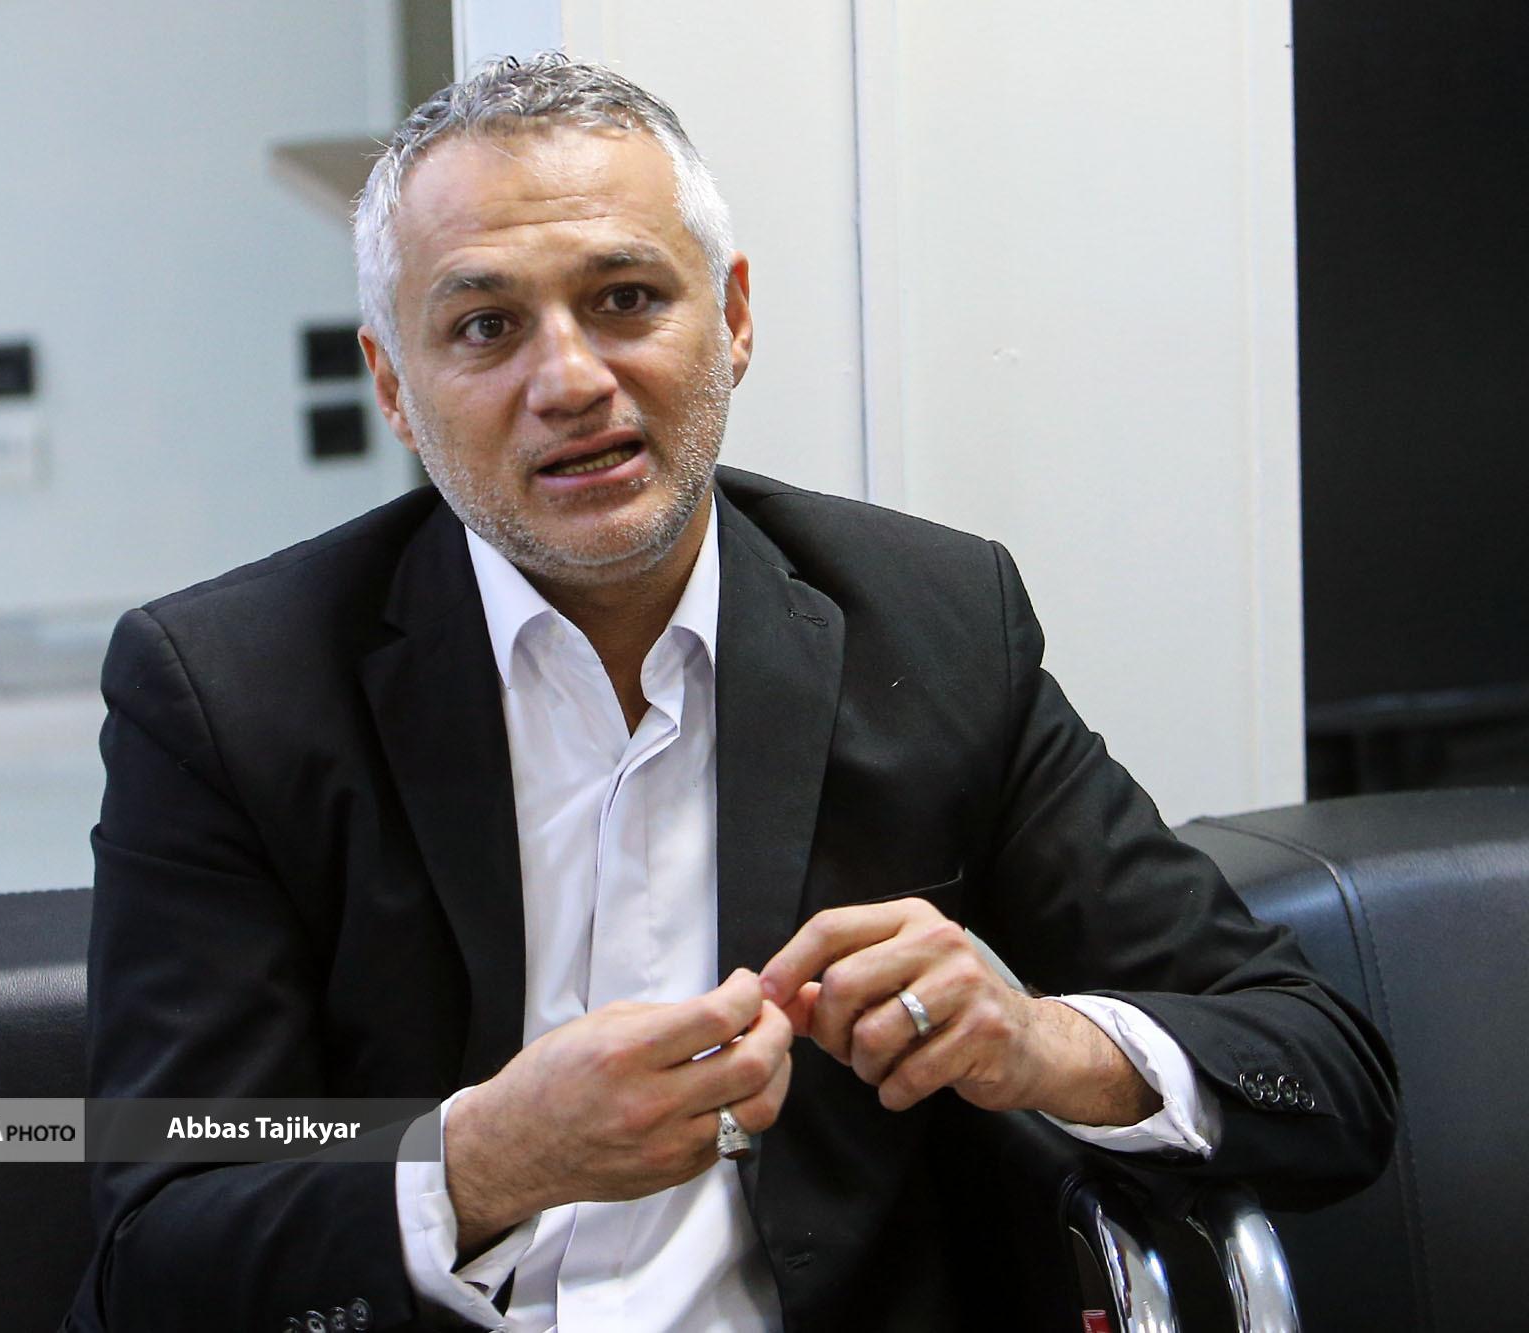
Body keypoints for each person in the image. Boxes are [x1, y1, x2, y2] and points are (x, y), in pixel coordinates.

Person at [69, 54, 1396, 1333]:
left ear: (736, 316)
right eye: (485, 327)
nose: (571, 379)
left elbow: (1316, 1066)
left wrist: (1040, 1045)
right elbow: (161, 1231)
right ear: (395, 390)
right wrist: (484, 1161)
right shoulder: (229, 691)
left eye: (626, 298)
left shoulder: (932, 623)